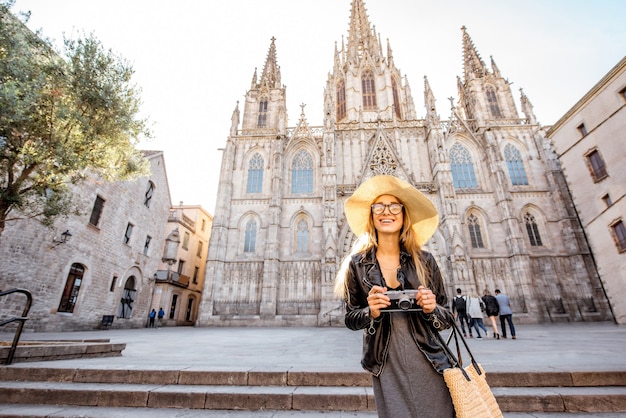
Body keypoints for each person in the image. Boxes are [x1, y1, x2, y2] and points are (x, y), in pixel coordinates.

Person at [334, 175, 457, 418]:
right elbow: (350, 318)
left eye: (394, 206)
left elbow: (447, 318)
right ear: (371, 215)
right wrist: (371, 311)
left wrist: (432, 308)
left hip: (430, 358)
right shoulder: (357, 265)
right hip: (385, 361)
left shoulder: (425, 261)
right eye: (378, 207)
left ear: (404, 215)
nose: (386, 212)